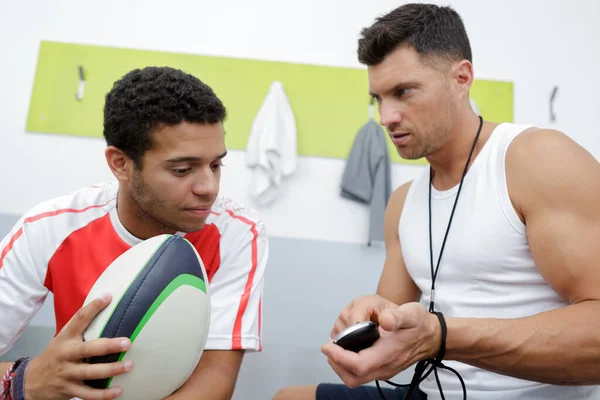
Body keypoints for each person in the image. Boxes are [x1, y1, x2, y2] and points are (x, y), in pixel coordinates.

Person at [274, 3, 600, 400]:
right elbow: (396, 323)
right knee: (287, 397)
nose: (386, 116)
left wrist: (441, 335)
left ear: (461, 78)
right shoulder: (403, 202)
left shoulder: (536, 159)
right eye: (378, 98)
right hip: (429, 392)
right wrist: (370, 315)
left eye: (403, 92)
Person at [0, 66, 268, 400]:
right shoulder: (49, 227)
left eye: (216, 165)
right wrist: (22, 380)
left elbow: (213, 384)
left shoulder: (237, 233)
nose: (209, 187)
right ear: (120, 164)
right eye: (182, 170)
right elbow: (25, 382)